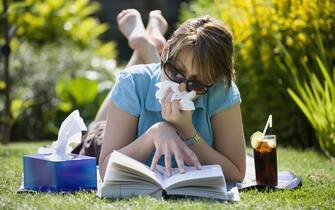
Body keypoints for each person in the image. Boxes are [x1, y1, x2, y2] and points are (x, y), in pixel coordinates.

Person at [95, 9, 246, 182]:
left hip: (159, 67)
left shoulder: (221, 91)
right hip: (102, 135)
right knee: (97, 126)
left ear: (212, 81)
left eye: (196, 84)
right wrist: (153, 134)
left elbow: (236, 173)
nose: (180, 88)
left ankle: (145, 47)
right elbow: (105, 169)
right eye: (175, 71)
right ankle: (143, 47)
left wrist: (187, 130)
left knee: (156, 75)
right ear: (166, 50)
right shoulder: (132, 82)